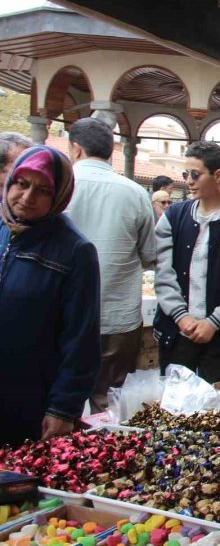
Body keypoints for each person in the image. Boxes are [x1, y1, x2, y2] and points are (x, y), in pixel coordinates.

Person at [0, 146, 100, 446]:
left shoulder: (75, 251)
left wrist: (63, 408)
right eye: (22, 184)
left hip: (28, 399)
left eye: (43, 190)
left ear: (60, 195)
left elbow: (82, 340)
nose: (28, 197)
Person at [65, 118, 156, 412]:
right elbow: (148, 254)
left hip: (64, 315)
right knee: (109, 403)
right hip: (118, 317)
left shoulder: (59, 186)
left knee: (62, 403)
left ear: (75, 149)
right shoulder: (134, 193)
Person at [153, 141, 220, 382]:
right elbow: (163, 272)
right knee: (172, 405)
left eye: (195, 174)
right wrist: (182, 317)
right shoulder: (173, 217)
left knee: (213, 407)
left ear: (218, 175)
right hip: (176, 332)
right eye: (185, 174)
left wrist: (214, 321)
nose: (188, 181)